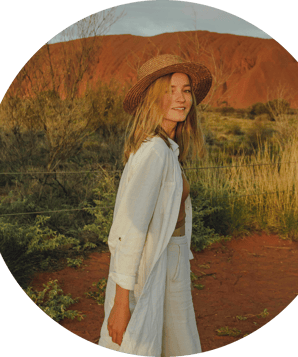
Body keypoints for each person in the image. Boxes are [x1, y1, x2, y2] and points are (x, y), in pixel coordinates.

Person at [98, 54, 212, 356]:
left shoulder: (167, 149)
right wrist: (122, 303)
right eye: (170, 90)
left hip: (169, 260)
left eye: (186, 90)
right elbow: (130, 229)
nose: (181, 98)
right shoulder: (155, 153)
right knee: (142, 344)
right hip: (150, 266)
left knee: (173, 342)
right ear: (153, 98)